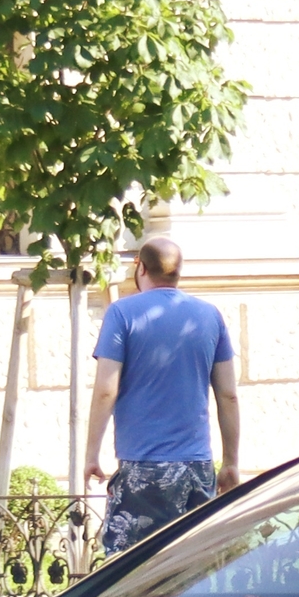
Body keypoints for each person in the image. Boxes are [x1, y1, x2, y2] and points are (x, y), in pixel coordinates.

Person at [85, 237, 241, 555]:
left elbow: (105, 390)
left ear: (140, 267)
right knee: (192, 567)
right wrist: (231, 462)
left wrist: (91, 455)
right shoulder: (210, 316)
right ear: (178, 272)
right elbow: (228, 396)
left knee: (128, 570)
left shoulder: (121, 314)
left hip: (141, 468)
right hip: (196, 467)